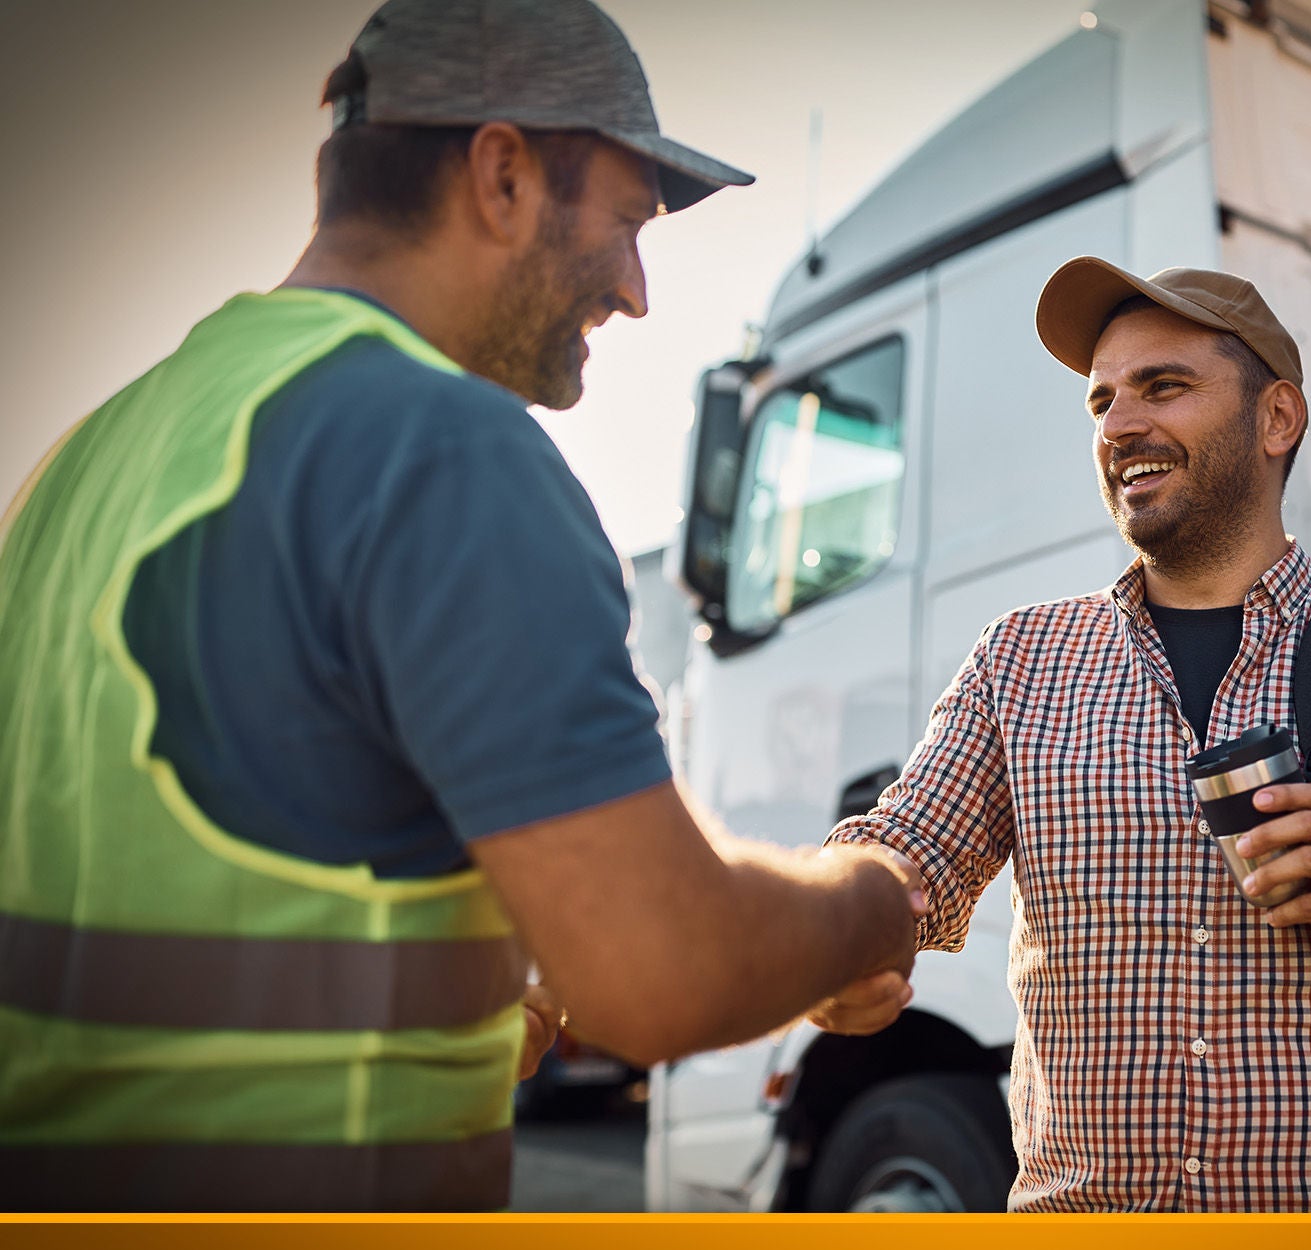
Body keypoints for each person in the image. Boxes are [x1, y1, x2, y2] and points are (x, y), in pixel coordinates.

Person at [0, 0, 921, 1213]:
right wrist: (868, 905)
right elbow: (666, 972)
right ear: (501, 174)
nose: (639, 291)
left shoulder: (81, 463)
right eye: (630, 220)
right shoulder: (435, 443)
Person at [811, 257, 1311, 1211]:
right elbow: (901, 853)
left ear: (1277, 418)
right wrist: (833, 938)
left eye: (1163, 387)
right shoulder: (1022, 661)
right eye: (1102, 402)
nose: (1121, 425)